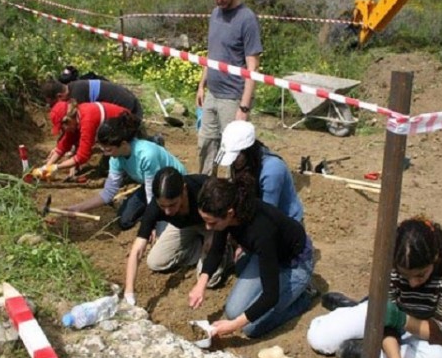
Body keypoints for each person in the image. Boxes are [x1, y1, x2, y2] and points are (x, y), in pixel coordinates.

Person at [306, 216, 442, 358]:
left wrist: (402, 322)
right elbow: (386, 321)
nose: (413, 284)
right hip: (390, 320)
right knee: (319, 338)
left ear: (435, 257)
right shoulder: (391, 261)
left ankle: (365, 349)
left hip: (423, 335)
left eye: (420, 275)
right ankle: (361, 317)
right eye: (405, 276)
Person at [188, 177, 315, 339]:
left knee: (251, 328)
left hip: (295, 263)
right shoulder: (227, 212)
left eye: (211, 223)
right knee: (233, 311)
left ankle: (305, 296)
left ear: (230, 213)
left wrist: (233, 326)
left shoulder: (262, 231)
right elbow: (216, 250)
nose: (207, 227)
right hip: (267, 255)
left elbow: (270, 296)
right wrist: (201, 283)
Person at [65, 113, 186, 230]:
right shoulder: (115, 158)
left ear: (123, 144)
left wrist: (150, 225)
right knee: (125, 221)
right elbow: (108, 193)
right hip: (151, 185)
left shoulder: (146, 156)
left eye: (108, 149)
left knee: (165, 222)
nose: (105, 154)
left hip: (173, 186)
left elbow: (152, 195)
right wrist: (79, 208)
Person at [123, 167, 220, 305]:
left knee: (209, 278)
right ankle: (199, 247)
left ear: (184, 190)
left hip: (211, 224)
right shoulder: (156, 207)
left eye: (173, 204)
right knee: (155, 262)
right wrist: (129, 291)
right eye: (162, 206)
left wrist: (217, 236)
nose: (167, 212)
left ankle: (222, 252)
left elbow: (227, 216)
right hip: (184, 226)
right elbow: (138, 249)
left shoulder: (204, 191)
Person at [196, 0, 262, 175]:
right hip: (212, 95)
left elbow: (253, 67)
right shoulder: (215, 14)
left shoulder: (247, 18)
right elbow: (212, 54)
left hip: (233, 99)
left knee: (232, 155)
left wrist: (244, 106)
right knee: (205, 146)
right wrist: (201, 85)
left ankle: (232, 197)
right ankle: (206, 190)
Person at [215, 120, 303, 222]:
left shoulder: (272, 170)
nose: (233, 163)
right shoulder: (242, 163)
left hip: (284, 223)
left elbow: (267, 214)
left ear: (247, 151)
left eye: (235, 158)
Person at [34, 99, 130, 179]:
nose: (63, 131)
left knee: (107, 171)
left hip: (128, 131)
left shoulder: (87, 120)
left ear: (67, 121)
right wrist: (47, 167)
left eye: (62, 128)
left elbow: (83, 156)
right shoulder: (77, 117)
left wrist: (56, 167)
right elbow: (64, 145)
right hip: (114, 131)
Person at [41, 78, 143, 121]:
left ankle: (152, 140)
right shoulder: (74, 86)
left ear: (59, 96)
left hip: (129, 107)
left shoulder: (77, 97)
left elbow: (79, 126)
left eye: (53, 104)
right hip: (128, 99)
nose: (53, 107)